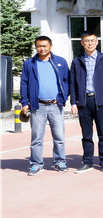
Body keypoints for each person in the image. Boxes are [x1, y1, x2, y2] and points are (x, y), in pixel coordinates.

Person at [20, 36, 70, 175]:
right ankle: (36, 164)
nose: (42, 48)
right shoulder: (30, 63)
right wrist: (24, 103)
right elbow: (24, 83)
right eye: (39, 46)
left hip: (56, 105)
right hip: (37, 106)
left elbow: (67, 80)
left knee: (59, 137)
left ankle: (60, 162)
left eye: (44, 46)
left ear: (50, 46)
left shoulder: (60, 62)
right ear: (36, 47)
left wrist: (63, 97)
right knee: (36, 138)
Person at [69, 30, 103, 173]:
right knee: (86, 135)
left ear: (97, 42)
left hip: (100, 101)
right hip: (83, 102)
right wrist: (73, 102)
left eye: (92, 41)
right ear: (82, 43)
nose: (89, 43)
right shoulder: (77, 61)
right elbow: (72, 84)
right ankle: (88, 162)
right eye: (86, 41)